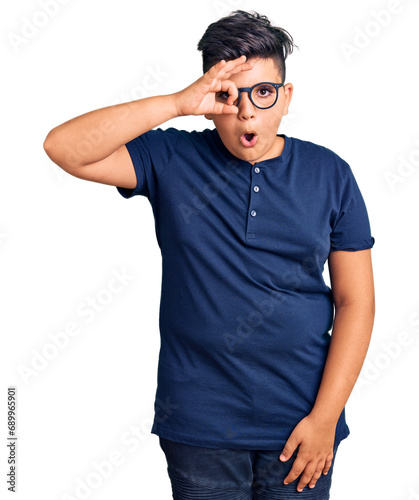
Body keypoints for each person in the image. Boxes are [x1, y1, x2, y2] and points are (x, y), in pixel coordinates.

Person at [43, 9, 376, 500]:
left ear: (286, 97)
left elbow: (356, 302)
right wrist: (178, 103)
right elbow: (64, 148)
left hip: (303, 423)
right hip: (200, 426)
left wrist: (325, 418)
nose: (246, 112)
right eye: (228, 95)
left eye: (263, 93)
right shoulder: (171, 159)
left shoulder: (330, 174)